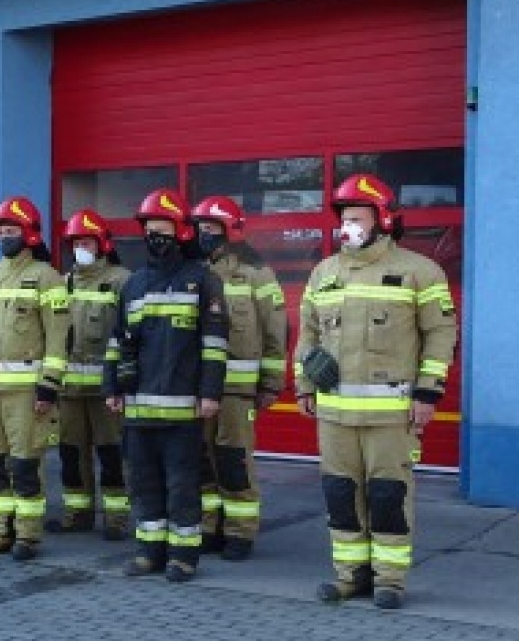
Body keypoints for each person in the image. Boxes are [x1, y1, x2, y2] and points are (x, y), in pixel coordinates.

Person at [297, 175, 457, 609]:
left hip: (392, 415)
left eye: (357, 219)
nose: (347, 227)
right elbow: (307, 336)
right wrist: (304, 386)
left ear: (382, 220)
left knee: (388, 496)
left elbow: (441, 335)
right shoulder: (323, 272)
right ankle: (350, 576)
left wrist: (428, 395)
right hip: (334, 416)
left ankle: (389, 580)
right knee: (340, 495)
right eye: (344, 219)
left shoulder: (420, 272)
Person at [104, 190, 228, 583]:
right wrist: (111, 387)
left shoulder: (202, 281)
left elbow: (214, 344)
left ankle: (183, 556)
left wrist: (210, 393)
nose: (155, 236)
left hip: (183, 411)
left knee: (181, 485)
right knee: (143, 484)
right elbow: (118, 341)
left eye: (163, 229)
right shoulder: (133, 284)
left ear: (182, 232)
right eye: (149, 230)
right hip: (138, 410)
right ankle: (148, 552)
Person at [0, 197, 69, 560]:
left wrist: (49, 384)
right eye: (1, 232)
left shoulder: (47, 277)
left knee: (24, 466)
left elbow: (58, 336)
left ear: (30, 233)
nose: (5, 237)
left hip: (26, 392)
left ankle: (27, 537)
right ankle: (0, 530)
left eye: (12, 231)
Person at [191, 195, 289, 560]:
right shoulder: (193, 270)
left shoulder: (256, 272)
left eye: (211, 229)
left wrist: (270, 383)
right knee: (201, 458)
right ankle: (208, 526)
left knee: (233, 459)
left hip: (237, 390)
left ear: (230, 230)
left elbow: (276, 331)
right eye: (200, 229)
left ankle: (240, 531)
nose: (204, 236)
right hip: (198, 387)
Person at [51, 209, 131, 541]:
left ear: (101, 244)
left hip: (105, 390)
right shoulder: (62, 283)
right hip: (69, 390)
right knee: (71, 454)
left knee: (111, 454)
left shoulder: (122, 280)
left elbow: (130, 334)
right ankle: (77, 513)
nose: (80, 248)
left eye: (86, 241)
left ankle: (116, 519)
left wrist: (124, 381)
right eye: (75, 242)